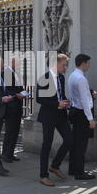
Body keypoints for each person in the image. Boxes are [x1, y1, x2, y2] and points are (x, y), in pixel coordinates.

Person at [36, 53, 73, 186]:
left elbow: (60, 94)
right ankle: (43, 175)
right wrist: (57, 104)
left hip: (61, 115)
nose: (65, 67)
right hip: (49, 116)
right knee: (47, 145)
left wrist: (65, 102)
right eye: (64, 65)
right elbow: (40, 99)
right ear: (55, 64)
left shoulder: (61, 78)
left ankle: (55, 165)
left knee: (69, 140)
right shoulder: (44, 78)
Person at [67, 54, 96, 180]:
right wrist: (90, 119)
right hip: (82, 113)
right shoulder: (81, 79)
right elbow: (84, 101)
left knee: (75, 143)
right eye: (88, 63)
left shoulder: (73, 75)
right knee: (81, 144)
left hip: (75, 110)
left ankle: (73, 169)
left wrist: (89, 93)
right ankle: (79, 172)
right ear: (83, 63)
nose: (89, 65)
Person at [2, 56, 26, 163]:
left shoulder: (16, 73)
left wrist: (23, 92)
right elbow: (6, 90)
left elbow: (19, 88)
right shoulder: (7, 72)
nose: (19, 65)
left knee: (15, 131)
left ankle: (11, 153)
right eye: (18, 63)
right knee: (10, 131)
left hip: (17, 107)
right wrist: (17, 95)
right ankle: (5, 154)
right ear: (13, 63)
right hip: (11, 107)